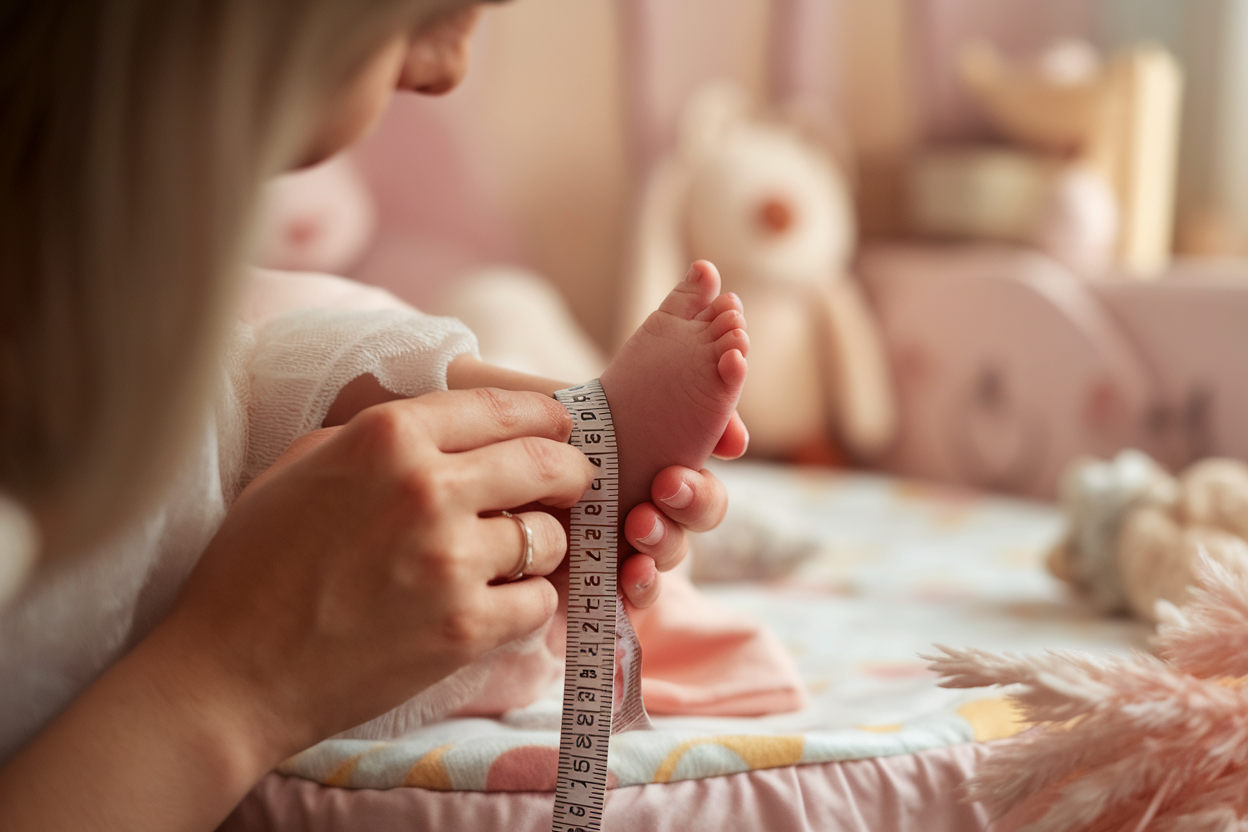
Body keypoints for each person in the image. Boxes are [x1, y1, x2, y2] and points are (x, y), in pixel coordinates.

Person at [0, 1, 749, 829]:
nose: (444, 69)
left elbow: (244, 367)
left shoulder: (104, 235)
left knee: (280, 382)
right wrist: (237, 685)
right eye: (433, 12)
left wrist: (518, 413)